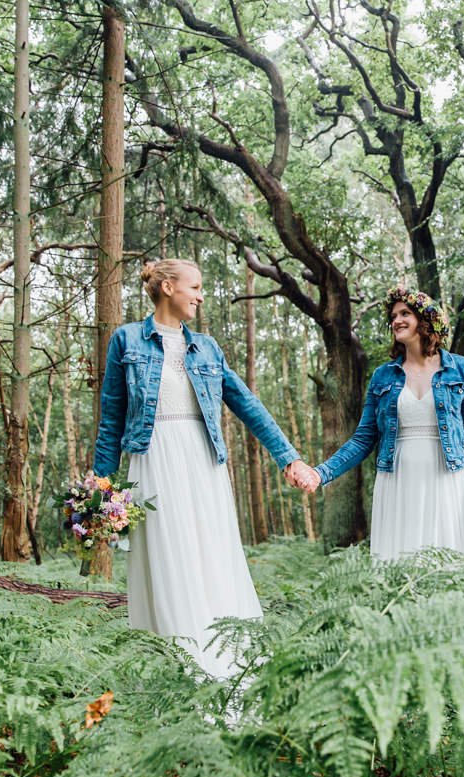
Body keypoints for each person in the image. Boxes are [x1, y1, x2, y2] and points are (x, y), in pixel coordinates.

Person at [93, 258, 314, 677]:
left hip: (203, 463)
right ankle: (180, 667)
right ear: (166, 287)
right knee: (167, 557)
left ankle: (228, 664)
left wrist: (290, 457)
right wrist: (100, 496)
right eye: (194, 287)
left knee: (212, 557)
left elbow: (247, 404)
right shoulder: (126, 341)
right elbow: (111, 421)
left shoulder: (208, 348)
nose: (199, 295)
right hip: (153, 463)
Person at [306, 286, 464, 560]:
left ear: (426, 319)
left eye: (404, 313)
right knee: (399, 566)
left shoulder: (461, 369)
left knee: (451, 566)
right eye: (393, 316)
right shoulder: (382, 376)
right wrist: (320, 473)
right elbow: (363, 439)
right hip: (397, 482)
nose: (396, 320)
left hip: (447, 480)